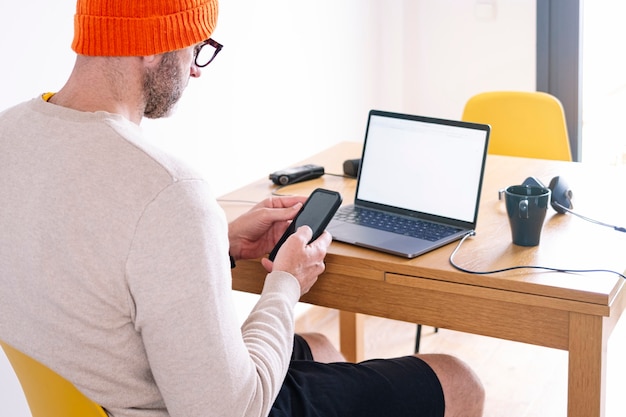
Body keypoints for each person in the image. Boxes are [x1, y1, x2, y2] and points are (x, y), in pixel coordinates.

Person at [0, 1, 484, 416]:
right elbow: (232, 410)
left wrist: (217, 242)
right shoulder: (167, 190)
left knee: (321, 349)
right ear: (151, 44)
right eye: (197, 46)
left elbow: (90, 256)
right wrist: (286, 283)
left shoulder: (11, 134)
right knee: (459, 379)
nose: (194, 68)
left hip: (91, 396)